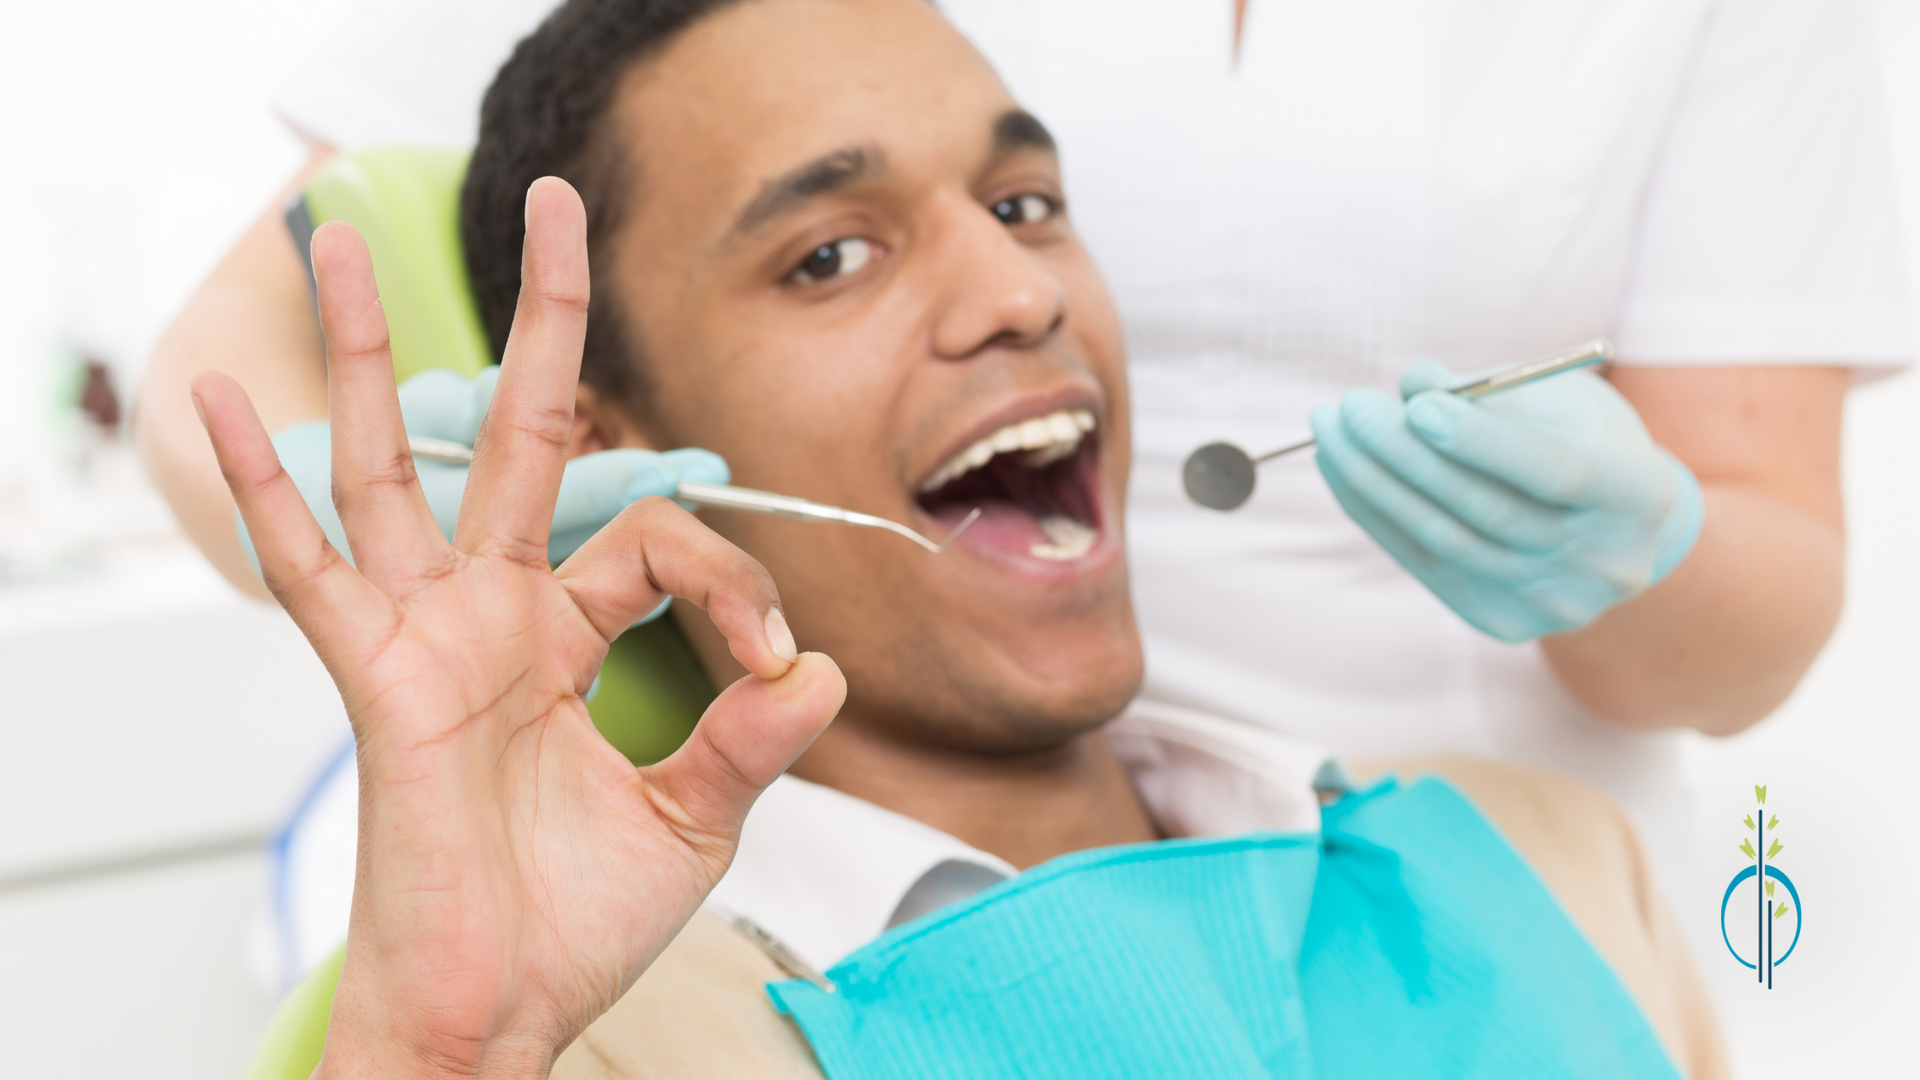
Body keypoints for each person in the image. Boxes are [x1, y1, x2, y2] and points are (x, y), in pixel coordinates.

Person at [136, 0, 1909, 929]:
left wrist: (1648, 556)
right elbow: (248, 334)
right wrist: (362, 520)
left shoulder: (1536, 917)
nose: (1013, 296)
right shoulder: (665, 1020)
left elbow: (1761, 596)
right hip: (843, 911)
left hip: (1466, 928)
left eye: (1028, 206)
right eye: (832, 254)